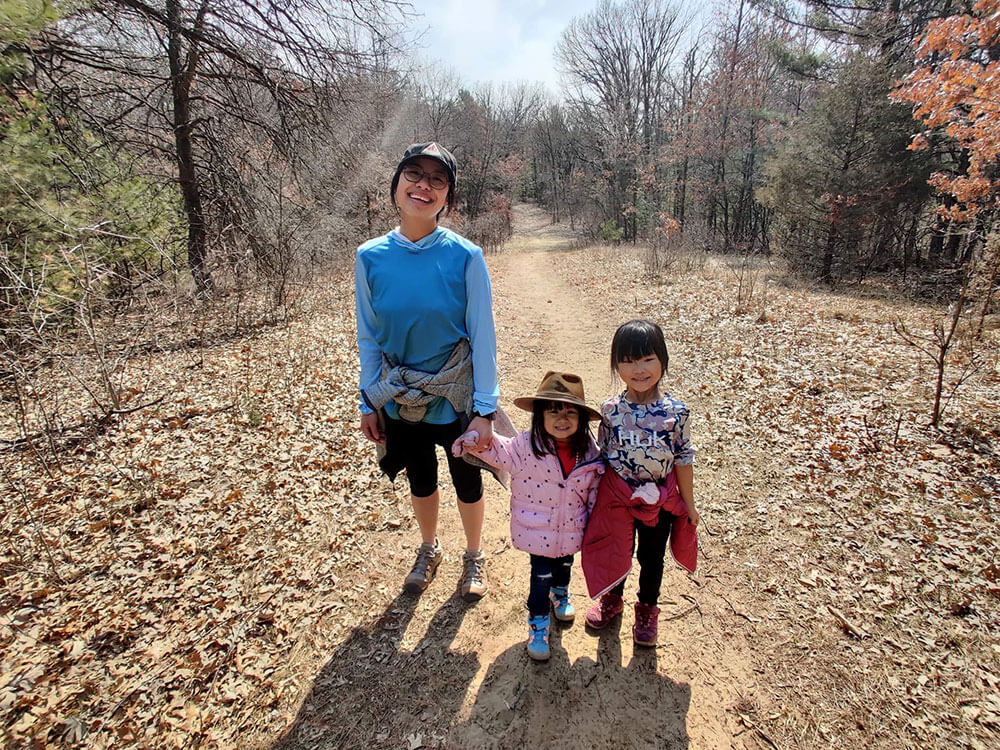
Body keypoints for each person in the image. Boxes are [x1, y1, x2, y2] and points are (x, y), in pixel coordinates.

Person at [355, 142, 500, 601]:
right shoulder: (370, 258)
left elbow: (484, 336)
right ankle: (428, 547)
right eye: (414, 174)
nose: (424, 185)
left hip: (456, 395)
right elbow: (369, 336)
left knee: (467, 479)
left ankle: (473, 556)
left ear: (449, 198)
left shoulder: (466, 256)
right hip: (400, 397)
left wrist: (486, 410)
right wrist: (369, 400)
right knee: (420, 477)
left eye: (438, 180)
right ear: (395, 186)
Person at [452, 371, 604, 661]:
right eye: (554, 411)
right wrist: (475, 440)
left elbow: (595, 488)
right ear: (539, 416)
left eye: (571, 412)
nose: (562, 419)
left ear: (581, 418)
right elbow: (499, 451)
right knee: (540, 577)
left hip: (572, 528)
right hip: (538, 532)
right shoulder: (525, 447)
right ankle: (538, 624)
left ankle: (561, 594)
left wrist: (597, 521)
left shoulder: (589, 452)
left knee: (565, 565)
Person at [581, 320, 700, 647]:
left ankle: (647, 608)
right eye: (628, 360)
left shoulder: (676, 412)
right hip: (617, 501)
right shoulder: (610, 410)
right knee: (616, 550)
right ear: (616, 364)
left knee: (651, 557)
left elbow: (683, 458)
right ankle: (611, 598)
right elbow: (602, 457)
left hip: (658, 504)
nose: (639, 369)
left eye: (647, 359)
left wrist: (689, 505)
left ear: (662, 360)